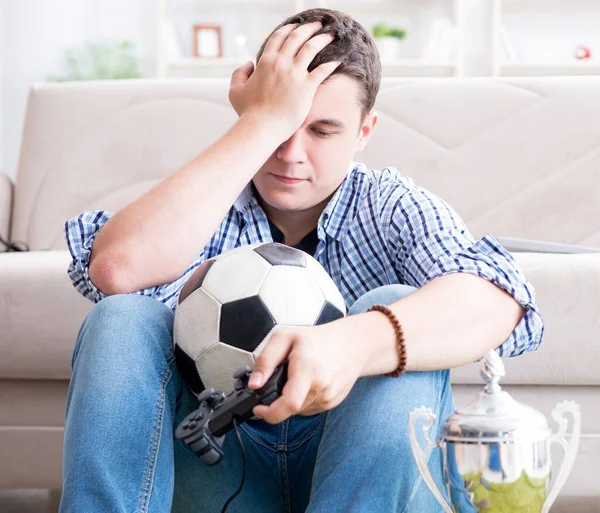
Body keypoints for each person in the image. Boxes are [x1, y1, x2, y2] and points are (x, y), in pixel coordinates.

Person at [59, 8, 544, 513]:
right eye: (284, 125)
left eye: (323, 130)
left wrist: (355, 343)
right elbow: (116, 270)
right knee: (122, 316)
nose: (291, 153)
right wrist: (260, 121)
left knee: (395, 303)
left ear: (364, 131)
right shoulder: (207, 200)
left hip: (366, 480)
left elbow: (502, 299)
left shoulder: (391, 205)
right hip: (219, 460)